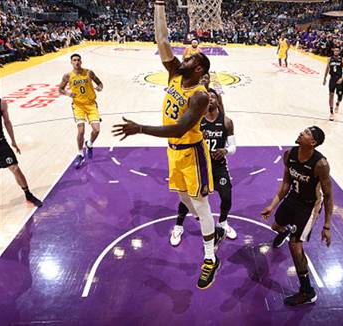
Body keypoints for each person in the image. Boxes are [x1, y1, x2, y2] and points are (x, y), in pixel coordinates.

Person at [112, 0, 226, 290]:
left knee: (200, 206)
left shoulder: (200, 95)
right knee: (185, 200)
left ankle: (210, 258)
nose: (183, 57)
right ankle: (210, 229)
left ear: (198, 69)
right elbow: (162, 40)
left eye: (190, 58)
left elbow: (178, 128)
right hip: (173, 154)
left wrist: (140, 129)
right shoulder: (175, 73)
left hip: (193, 154)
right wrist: (159, 5)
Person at [261, 126, 333, 306]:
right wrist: (272, 205)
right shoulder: (290, 154)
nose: (302, 132)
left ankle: (307, 292)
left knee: (295, 246)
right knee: (275, 227)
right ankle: (285, 231)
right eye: (304, 130)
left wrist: (327, 226)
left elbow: (329, 195)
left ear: (313, 142)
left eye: (307, 133)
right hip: (294, 197)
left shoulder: (320, 164)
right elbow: (286, 183)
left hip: (309, 206)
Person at [170, 88, 237, 246]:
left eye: (214, 97)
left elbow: (233, 147)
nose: (211, 99)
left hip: (218, 166)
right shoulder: (196, 122)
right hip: (198, 166)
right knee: (189, 199)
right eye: (208, 97)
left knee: (226, 197)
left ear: (218, 101)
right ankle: (178, 225)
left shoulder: (226, 121)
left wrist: (225, 150)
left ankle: (222, 223)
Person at [58, 53, 104, 169]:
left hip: (91, 105)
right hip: (78, 106)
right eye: (74, 60)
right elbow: (60, 89)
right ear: (71, 62)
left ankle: (89, 144)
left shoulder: (89, 72)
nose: (76, 62)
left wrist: (99, 87)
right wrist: (68, 94)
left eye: (78, 60)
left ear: (81, 61)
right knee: (81, 131)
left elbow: (100, 83)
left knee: (96, 130)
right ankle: (80, 154)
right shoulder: (67, 76)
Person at [0, 98, 43, 207]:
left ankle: (28, 194)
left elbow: (7, 122)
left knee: (15, 168)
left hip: (0, 142)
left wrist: (13, 141)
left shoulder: (1, 103)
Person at [323, 47, 343, 121]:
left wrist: (342, 78)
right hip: (332, 78)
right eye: (334, 50)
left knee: (340, 95)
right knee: (331, 94)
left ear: (339, 52)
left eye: (337, 51)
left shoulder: (342, 59)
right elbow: (327, 68)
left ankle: (337, 103)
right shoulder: (330, 59)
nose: (336, 52)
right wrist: (325, 78)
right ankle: (331, 112)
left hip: (339, 78)